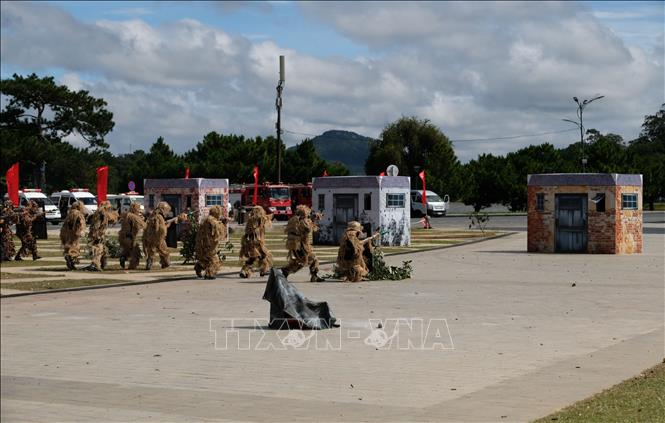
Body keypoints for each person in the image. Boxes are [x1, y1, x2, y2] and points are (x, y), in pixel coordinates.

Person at [282, 205, 324, 282]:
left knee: (303, 261)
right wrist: (313, 220)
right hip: (300, 246)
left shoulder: (293, 220)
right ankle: (287, 270)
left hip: (296, 245)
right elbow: (308, 230)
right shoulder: (302, 221)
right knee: (311, 260)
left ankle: (286, 271)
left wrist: (311, 219)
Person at [194, 205, 228, 279]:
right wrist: (224, 223)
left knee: (206, 258)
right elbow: (219, 232)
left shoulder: (206, 219)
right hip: (210, 244)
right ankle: (209, 274)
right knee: (214, 260)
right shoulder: (213, 221)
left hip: (203, 243)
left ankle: (199, 266)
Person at [239, 205, 273, 278]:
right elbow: (268, 218)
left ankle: (246, 271)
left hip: (249, 241)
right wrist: (271, 213)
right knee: (262, 255)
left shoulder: (250, 219)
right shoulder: (260, 218)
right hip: (256, 241)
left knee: (255, 257)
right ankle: (263, 270)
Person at [143, 201, 178, 270]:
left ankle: (149, 264)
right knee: (164, 251)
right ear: (163, 209)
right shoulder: (159, 217)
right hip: (159, 238)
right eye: (167, 210)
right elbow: (162, 229)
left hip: (151, 237)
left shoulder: (153, 215)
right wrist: (167, 225)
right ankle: (165, 263)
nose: (167, 212)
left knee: (151, 252)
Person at [85, 201, 119, 271]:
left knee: (104, 250)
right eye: (109, 207)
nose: (109, 209)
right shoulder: (102, 212)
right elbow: (110, 218)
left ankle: (101, 264)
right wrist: (115, 215)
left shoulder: (98, 212)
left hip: (96, 234)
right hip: (98, 234)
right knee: (99, 249)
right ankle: (95, 264)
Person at [118, 202, 146, 270]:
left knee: (127, 251)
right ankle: (132, 267)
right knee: (136, 253)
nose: (139, 211)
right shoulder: (133, 217)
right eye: (138, 209)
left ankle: (123, 257)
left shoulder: (126, 215)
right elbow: (142, 226)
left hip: (122, 237)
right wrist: (142, 220)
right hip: (129, 237)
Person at [59, 201, 87, 270]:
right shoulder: (77, 213)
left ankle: (70, 262)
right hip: (73, 234)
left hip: (66, 233)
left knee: (68, 248)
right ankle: (70, 258)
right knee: (75, 249)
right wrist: (80, 231)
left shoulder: (70, 213)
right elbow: (79, 222)